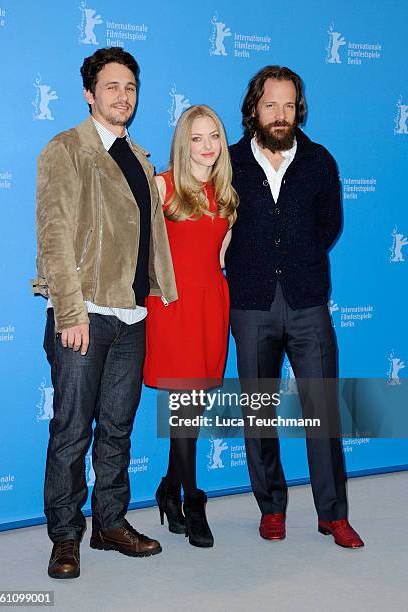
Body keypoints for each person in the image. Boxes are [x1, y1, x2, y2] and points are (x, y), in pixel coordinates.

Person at [33, 47, 177, 579]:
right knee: (72, 431)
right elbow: (53, 239)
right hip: (84, 316)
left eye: (131, 88)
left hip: (132, 316)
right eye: (113, 86)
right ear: (90, 93)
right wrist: (68, 312)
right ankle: (65, 536)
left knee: (117, 430)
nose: (124, 96)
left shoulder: (138, 158)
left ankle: (110, 523)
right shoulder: (65, 149)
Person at [225, 66, 364, 548]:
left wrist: (297, 262)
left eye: (288, 105)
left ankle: (333, 514)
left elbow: (330, 226)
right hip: (250, 305)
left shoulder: (320, 161)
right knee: (258, 415)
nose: (280, 115)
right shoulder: (229, 161)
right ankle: (272, 508)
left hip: (308, 305)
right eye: (271, 105)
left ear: (298, 108)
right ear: (254, 109)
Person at [144, 105, 238, 547]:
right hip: (173, 306)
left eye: (213, 136)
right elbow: (137, 248)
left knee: (191, 408)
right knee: (184, 404)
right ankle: (193, 499)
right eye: (197, 138)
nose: (207, 146)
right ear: (184, 143)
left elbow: (219, 254)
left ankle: (167, 489)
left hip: (211, 305)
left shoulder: (227, 194)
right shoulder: (161, 186)